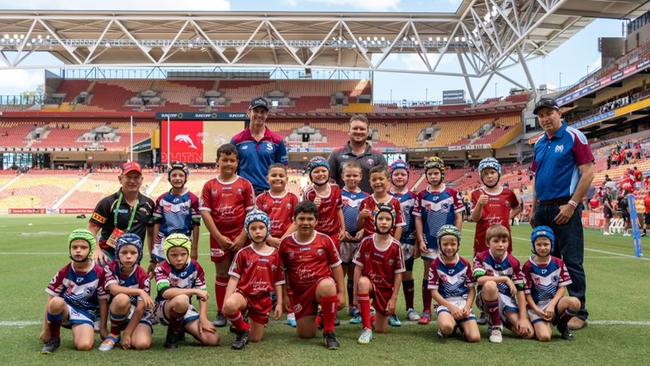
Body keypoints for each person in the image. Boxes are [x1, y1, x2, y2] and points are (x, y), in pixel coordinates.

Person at [531, 97, 594, 330]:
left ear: (559, 113)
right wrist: (534, 207)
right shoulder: (538, 142)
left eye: (549, 113)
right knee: (547, 261)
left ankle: (580, 311)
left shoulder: (574, 136)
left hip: (564, 206)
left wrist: (572, 204)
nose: (545, 118)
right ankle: (550, 307)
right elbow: (537, 178)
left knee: (572, 260)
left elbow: (588, 173)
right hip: (543, 208)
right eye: (541, 115)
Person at [200, 143, 255, 327]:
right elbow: (206, 213)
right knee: (222, 273)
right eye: (224, 160)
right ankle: (222, 311)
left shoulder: (245, 184)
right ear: (217, 162)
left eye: (232, 160)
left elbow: (251, 213)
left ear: (237, 162)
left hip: (241, 236)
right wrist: (217, 237)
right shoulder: (209, 186)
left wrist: (242, 236)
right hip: (219, 238)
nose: (228, 164)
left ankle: (242, 309)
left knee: (242, 274)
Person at [279, 201, 346, 350]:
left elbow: (336, 266)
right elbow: (281, 273)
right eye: (301, 219)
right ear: (294, 220)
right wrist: (284, 296)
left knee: (328, 285)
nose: (305, 223)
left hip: (320, 287)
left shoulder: (325, 240)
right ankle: (321, 317)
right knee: (305, 334)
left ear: (316, 221)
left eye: (310, 219)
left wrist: (341, 292)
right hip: (300, 293)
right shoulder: (285, 243)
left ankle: (329, 332)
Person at [223, 210, 285, 350]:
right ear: (247, 231)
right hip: (244, 294)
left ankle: (244, 321)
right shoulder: (243, 253)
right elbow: (234, 278)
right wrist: (226, 303)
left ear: (267, 229)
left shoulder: (275, 255)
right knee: (230, 305)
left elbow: (279, 281)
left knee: (255, 339)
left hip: (262, 299)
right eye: (253, 228)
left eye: (261, 228)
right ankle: (242, 327)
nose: (257, 232)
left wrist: (280, 303)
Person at [40, 229, 109, 353]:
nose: (78, 250)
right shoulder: (64, 272)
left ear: (91, 250)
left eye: (83, 247)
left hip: (86, 312)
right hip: (65, 310)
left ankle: (82, 328)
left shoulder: (100, 273)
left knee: (84, 346)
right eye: (74, 247)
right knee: (56, 302)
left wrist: (103, 328)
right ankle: (54, 339)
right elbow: (50, 301)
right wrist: (46, 329)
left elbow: (103, 302)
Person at [413, 156, 463, 325]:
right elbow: (418, 219)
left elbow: (458, 216)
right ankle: (426, 309)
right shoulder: (421, 195)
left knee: (448, 274)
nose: (433, 176)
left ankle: (448, 306)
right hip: (430, 242)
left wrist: (456, 236)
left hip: (448, 243)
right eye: (430, 173)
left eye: (436, 173)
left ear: (442, 174)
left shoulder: (452, 194)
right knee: (428, 274)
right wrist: (420, 240)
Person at [153, 233, 220, 349]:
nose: (179, 258)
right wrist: (194, 291)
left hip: (185, 308)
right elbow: (166, 292)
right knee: (182, 300)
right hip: (163, 308)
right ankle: (172, 337)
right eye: (173, 255)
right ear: (166, 254)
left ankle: (181, 326)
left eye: (183, 254)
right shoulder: (161, 268)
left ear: (188, 253)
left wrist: (203, 319)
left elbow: (202, 295)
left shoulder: (195, 267)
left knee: (212, 339)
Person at [352, 204, 405, 344]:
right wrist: (355, 296)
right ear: (374, 220)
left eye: (388, 219)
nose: (384, 222)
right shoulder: (366, 241)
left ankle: (373, 315)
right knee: (363, 282)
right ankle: (366, 329)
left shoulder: (396, 246)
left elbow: (398, 274)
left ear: (393, 223)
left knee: (381, 329)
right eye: (380, 218)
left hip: (385, 289)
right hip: (368, 284)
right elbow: (357, 269)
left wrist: (393, 299)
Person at [474, 225, 534, 343]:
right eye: (496, 241)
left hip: (507, 300)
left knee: (528, 333)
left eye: (504, 241)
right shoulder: (481, 257)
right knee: (490, 284)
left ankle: (500, 320)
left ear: (508, 243)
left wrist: (522, 318)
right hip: (485, 297)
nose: (500, 244)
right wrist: (505, 279)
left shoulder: (514, 262)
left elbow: (521, 290)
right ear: (487, 243)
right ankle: (495, 326)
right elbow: (479, 279)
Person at [88, 162, 155, 265]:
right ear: (120, 179)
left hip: (132, 255)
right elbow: (92, 229)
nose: (132, 181)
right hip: (108, 253)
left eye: (136, 177)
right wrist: (96, 250)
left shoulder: (149, 204)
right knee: (99, 267)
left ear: (141, 180)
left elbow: (151, 234)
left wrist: (153, 260)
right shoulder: (107, 202)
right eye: (128, 177)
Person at [523, 226, 581, 341]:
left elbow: (562, 287)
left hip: (553, 304)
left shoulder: (558, 263)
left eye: (546, 244)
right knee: (545, 337)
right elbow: (526, 293)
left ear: (552, 244)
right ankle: (542, 321)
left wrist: (552, 305)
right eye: (539, 244)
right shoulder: (528, 266)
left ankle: (562, 325)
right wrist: (535, 309)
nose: (543, 248)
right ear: (533, 245)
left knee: (575, 303)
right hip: (537, 307)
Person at [98, 234, 153, 351]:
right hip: (120, 309)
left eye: (133, 253)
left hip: (138, 314)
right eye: (124, 252)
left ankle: (129, 331)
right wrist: (102, 327)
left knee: (142, 344)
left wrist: (128, 334)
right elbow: (113, 290)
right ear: (117, 253)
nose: (128, 256)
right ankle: (114, 334)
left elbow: (140, 308)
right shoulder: (110, 268)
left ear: (139, 254)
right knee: (122, 298)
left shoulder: (143, 276)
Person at [428, 225, 480, 343]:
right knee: (447, 327)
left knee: (474, 338)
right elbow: (434, 292)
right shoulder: (435, 264)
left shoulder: (465, 263)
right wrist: (451, 307)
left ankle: (459, 323)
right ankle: (448, 325)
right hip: (445, 304)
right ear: (439, 244)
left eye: (453, 244)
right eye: (445, 244)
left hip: (462, 304)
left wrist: (467, 307)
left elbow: (472, 289)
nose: (449, 247)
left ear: (458, 245)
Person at [231, 97, 288, 195]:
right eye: (256, 111)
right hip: (244, 193)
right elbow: (231, 169)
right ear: (249, 112)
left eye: (263, 112)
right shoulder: (237, 140)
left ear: (267, 115)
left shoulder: (277, 141)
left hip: (268, 193)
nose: (259, 115)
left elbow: (283, 169)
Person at [388, 160, 420, 322]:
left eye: (403, 174)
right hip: (387, 241)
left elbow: (418, 221)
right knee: (387, 275)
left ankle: (410, 308)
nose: (399, 177)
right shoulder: (385, 196)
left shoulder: (414, 197)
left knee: (407, 274)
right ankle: (386, 307)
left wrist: (417, 243)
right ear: (391, 176)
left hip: (408, 240)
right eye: (396, 174)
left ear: (408, 176)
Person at [152, 162, 201, 264]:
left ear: (186, 177)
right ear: (169, 178)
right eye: (174, 175)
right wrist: (155, 246)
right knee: (163, 273)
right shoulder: (162, 199)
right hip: (164, 242)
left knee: (181, 276)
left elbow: (196, 225)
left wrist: (195, 249)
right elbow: (156, 223)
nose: (177, 178)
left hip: (184, 241)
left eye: (181, 175)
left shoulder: (193, 199)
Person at [470, 157, 521, 255]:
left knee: (505, 268)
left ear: (498, 173)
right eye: (485, 173)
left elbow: (517, 208)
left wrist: (508, 218)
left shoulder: (508, 193)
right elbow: (475, 218)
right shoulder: (476, 193)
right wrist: (479, 204)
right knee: (481, 269)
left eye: (492, 172)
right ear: (481, 176)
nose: (489, 176)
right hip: (482, 239)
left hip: (503, 239)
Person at [339, 161, 369, 324]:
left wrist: (363, 231)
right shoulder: (337, 193)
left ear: (361, 176)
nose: (352, 178)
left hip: (359, 240)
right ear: (343, 176)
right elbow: (334, 215)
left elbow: (369, 221)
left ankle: (353, 305)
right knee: (339, 273)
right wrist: (341, 231)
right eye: (348, 175)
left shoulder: (366, 196)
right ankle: (337, 304)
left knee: (354, 274)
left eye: (355, 175)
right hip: (342, 239)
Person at [328, 114, 387, 194]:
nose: (358, 131)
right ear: (349, 131)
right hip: (343, 204)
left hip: (370, 205)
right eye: (355, 128)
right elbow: (329, 181)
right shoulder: (336, 154)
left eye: (362, 129)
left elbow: (385, 181)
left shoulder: (378, 156)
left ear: (367, 132)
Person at [302, 157, 346, 252]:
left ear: (328, 173)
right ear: (311, 175)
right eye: (316, 172)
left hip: (334, 234)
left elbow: (339, 209)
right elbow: (306, 216)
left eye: (323, 170)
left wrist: (343, 229)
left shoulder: (335, 189)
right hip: (316, 234)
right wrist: (313, 207)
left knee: (335, 261)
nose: (320, 174)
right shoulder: (309, 193)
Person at [357, 165, 405, 243]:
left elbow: (399, 226)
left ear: (388, 180)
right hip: (369, 245)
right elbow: (360, 227)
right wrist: (361, 217)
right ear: (370, 182)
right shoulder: (365, 202)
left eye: (381, 179)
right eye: (374, 180)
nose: (377, 182)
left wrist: (394, 244)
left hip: (388, 244)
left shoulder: (395, 202)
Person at [255, 163, 298, 248]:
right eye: (274, 175)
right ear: (267, 179)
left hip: (287, 241)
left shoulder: (293, 198)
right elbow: (257, 221)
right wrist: (269, 238)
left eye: (281, 176)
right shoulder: (260, 198)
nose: (278, 178)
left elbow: (296, 221)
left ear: (287, 179)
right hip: (265, 242)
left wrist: (283, 239)